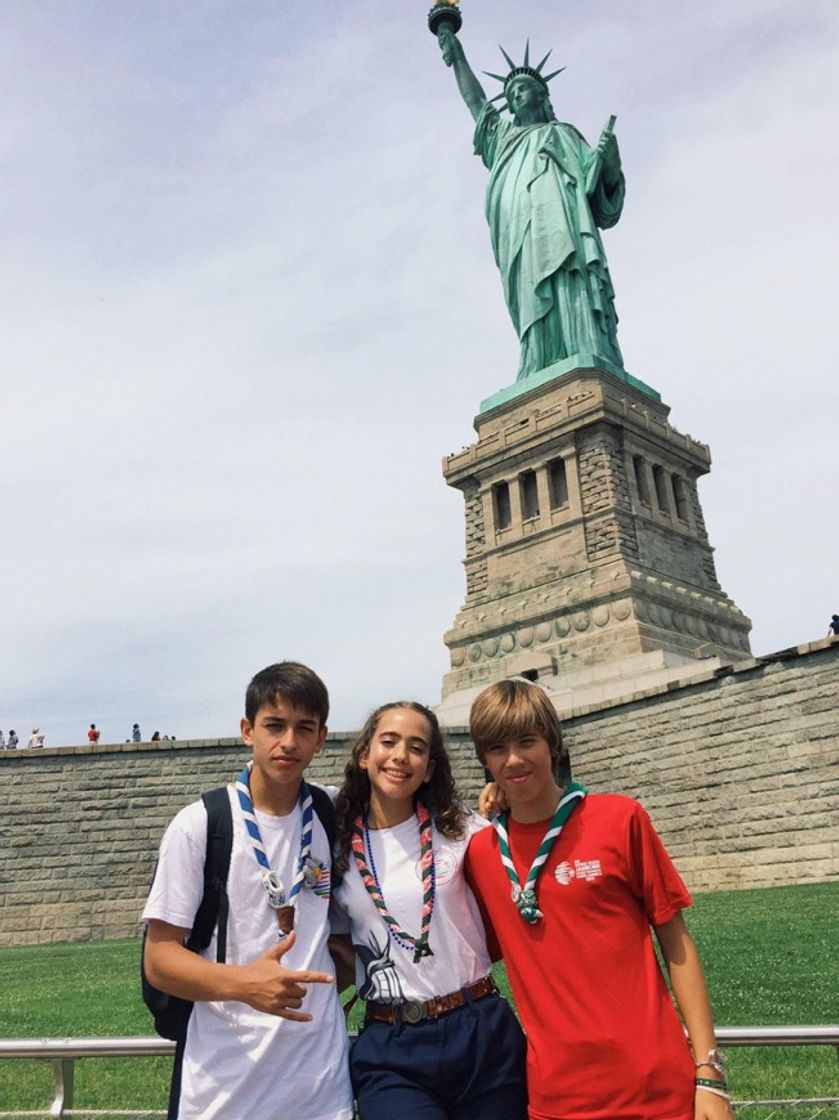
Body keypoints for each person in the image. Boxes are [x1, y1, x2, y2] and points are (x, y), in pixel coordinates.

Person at [466, 679, 732, 1120]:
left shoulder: (620, 818)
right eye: (497, 748)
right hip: (557, 1098)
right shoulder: (480, 854)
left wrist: (709, 1073)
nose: (514, 759)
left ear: (552, 742)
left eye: (526, 741)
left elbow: (677, 943)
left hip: (657, 1086)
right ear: (483, 759)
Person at [142, 662, 353, 1120]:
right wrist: (247, 985)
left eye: (304, 728)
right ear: (247, 730)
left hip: (320, 1087)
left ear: (321, 738)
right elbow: (160, 960)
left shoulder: (332, 811)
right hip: (222, 1086)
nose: (289, 742)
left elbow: (415, 797)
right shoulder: (200, 824)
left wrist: (494, 792)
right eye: (274, 725)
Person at [333, 701, 527, 1120]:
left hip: (480, 1028)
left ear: (430, 768)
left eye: (417, 747)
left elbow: (529, 847)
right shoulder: (336, 843)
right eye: (389, 742)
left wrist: (505, 796)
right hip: (392, 1043)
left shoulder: (462, 827)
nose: (401, 755)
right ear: (365, 754)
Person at [437, 27, 625, 380]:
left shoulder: (565, 135)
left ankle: (583, 347)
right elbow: (476, 103)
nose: (514, 96)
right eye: (510, 93)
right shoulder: (503, 138)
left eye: (522, 89)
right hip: (520, 232)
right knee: (530, 294)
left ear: (542, 95)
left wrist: (611, 167)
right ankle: (538, 359)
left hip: (565, 229)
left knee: (571, 279)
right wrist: (457, 57)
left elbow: (602, 200)